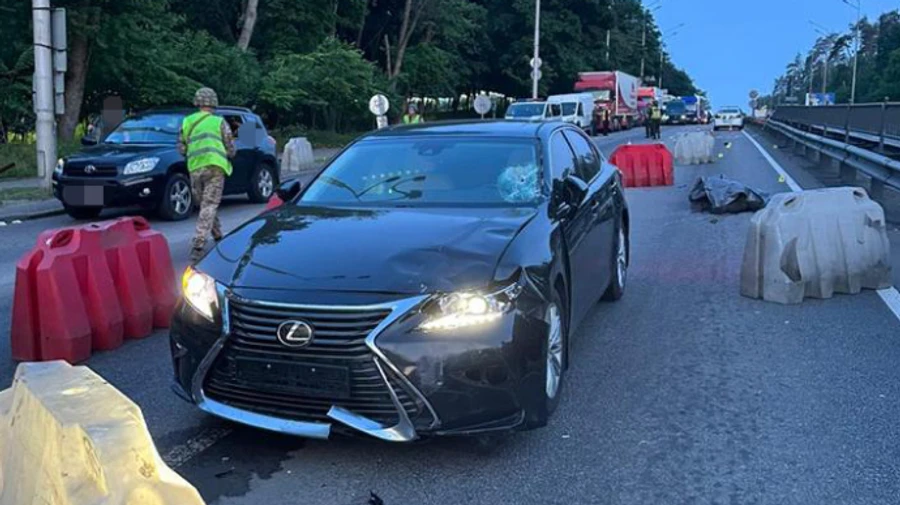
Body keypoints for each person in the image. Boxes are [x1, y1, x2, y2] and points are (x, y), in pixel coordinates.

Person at [177, 87, 236, 263]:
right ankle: (198, 244)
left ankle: (218, 236)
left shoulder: (186, 122)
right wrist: (230, 154)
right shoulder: (219, 122)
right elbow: (230, 146)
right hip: (215, 167)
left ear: (197, 102)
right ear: (213, 103)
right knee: (209, 204)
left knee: (205, 204)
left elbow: (182, 148)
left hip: (195, 168)